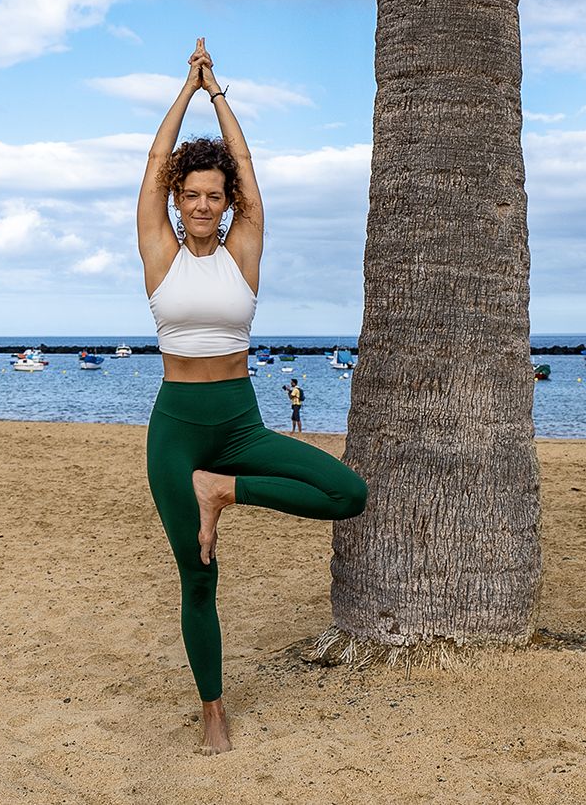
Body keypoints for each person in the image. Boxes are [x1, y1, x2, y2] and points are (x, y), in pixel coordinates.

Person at [139, 39, 367, 755]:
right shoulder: (159, 250)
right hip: (177, 430)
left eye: (215, 195)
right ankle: (212, 710)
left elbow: (252, 176)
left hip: (239, 427)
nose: (204, 204)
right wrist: (186, 91)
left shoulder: (244, 251)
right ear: (178, 201)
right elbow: (151, 167)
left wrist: (221, 96)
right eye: (192, 194)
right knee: (197, 578)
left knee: (347, 494)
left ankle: (224, 491)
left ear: (227, 202)